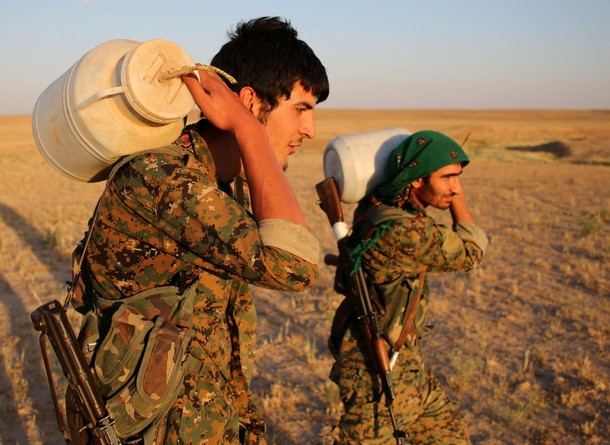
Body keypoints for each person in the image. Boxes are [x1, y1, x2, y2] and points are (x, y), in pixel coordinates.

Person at [72, 16, 329, 445]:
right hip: (156, 427)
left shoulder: (221, 180)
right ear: (248, 101)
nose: (310, 130)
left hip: (204, 415)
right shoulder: (163, 178)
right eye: (301, 108)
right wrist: (249, 130)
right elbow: (294, 266)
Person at [328, 130, 488, 444]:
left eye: (459, 178)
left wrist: (447, 173)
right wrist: (460, 199)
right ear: (415, 179)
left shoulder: (378, 207)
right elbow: (472, 252)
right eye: (447, 178)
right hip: (373, 376)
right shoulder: (405, 231)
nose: (455, 188)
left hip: (408, 369)